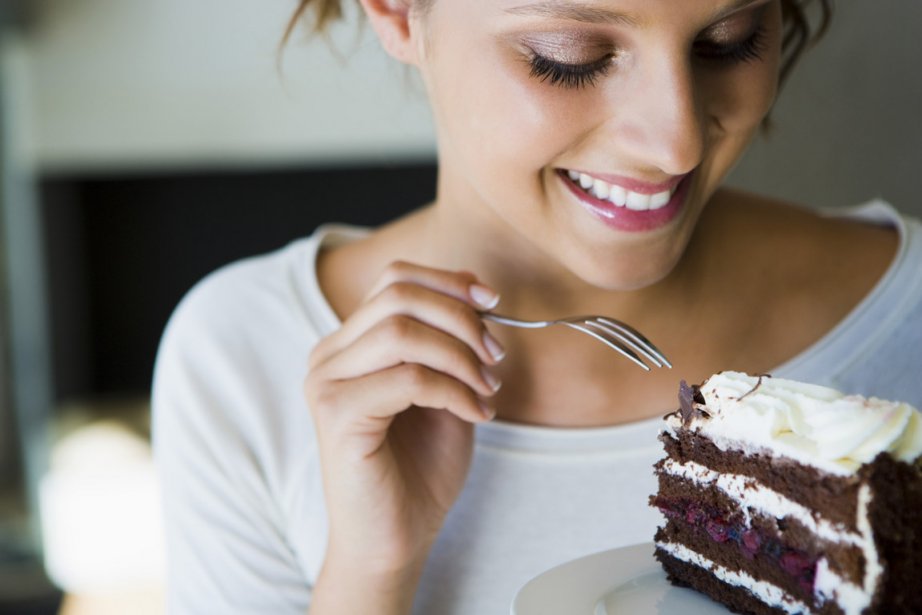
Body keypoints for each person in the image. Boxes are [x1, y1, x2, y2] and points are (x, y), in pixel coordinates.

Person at [151, 0, 922, 613]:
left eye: (728, 39)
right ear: (391, 9)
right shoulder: (241, 356)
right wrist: (370, 568)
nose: (675, 142)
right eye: (568, 57)